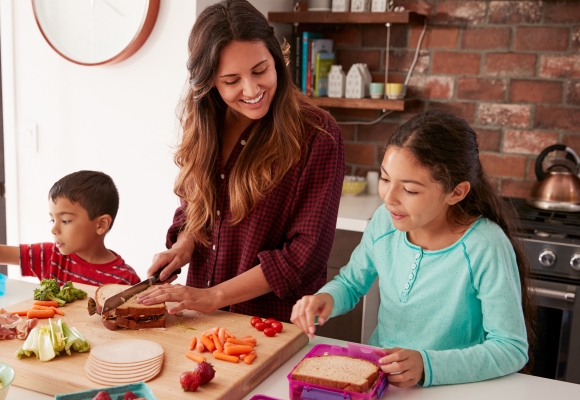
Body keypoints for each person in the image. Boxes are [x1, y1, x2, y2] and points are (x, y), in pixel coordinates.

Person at [291, 110, 535, 388]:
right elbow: (350, 282)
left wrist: (427, 366)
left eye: (409, 190)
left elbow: (510, 348)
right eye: (385, 179)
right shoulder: (385, 221)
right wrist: (327, 299)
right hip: (383, 383)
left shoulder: (484, 246)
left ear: (456, 192)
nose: (389, 198)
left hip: (454, 388)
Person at [138, 0, 345, 322]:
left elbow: (305, 254)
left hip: (272, 324)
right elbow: (196, 206)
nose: (252, 89)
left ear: (276, 59)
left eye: (260, 70)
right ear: (209, 82)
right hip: (200, 319)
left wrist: (214, 296)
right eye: (231, 80)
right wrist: (183, 245)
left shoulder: (317, 134)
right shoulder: (204, 124)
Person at [0, 170, 141, 286]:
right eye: (52, 220)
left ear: (101, 224)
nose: (54, 229)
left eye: (66, 220)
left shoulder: (124, 280)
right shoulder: (50, 256)